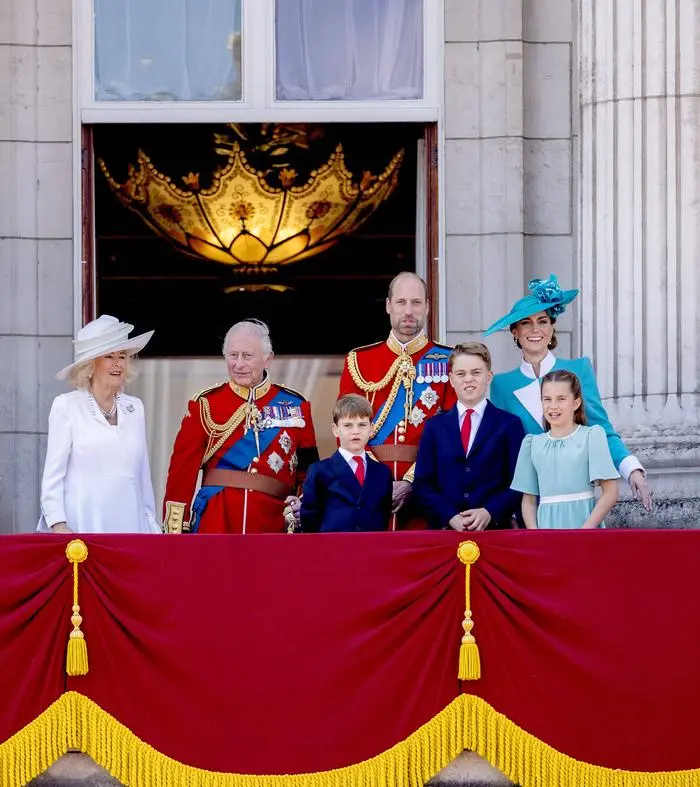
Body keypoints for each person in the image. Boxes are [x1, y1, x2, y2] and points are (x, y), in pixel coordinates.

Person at [484, 274, 652, 511]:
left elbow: (601, 429)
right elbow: (500, 451)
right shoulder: (502, 384)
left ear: (552, 329)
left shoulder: (578, 369)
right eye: (525, 323)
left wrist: (631, 468)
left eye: (543, 321)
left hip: (574, 498)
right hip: (526, 504)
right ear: (515, 333)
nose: (535, 329)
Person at [163, 319, 319, 534]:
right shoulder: (206, 404)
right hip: (217, 522)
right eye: (233, 355)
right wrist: (175, 532)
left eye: (247, 356)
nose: (238, 364)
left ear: (268, 359)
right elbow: (181, 475)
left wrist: (303, 510)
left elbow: (308, 475)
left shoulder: (296, 405)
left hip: (273, 524)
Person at [338, 271, 456, 530]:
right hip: (366, 487)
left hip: (426, 490)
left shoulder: (450, 361)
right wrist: (378, 482)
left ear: (427, 306)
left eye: (416, 302)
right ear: (389, 306)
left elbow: (452, 436)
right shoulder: (359, 360)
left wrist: (411, 481)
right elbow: (345, 430)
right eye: (401, 302)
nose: (408, 311)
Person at [38, 315, 160, 535]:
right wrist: (58, 524)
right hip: (83, 528)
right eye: (109, 356)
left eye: (122, 356)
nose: (117, 363)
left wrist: (150, 524)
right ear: (89, 365)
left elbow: (142, 476)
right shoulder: (67, 407)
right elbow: (52, 477)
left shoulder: (135, 408)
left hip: (131, 528)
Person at [413, 342, 525, 531]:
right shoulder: (434, 426)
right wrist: (449, 516)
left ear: (489, 377)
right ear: (451, 379)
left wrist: (490, 511)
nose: (468, 379)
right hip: (445, 532)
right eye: (461, 374)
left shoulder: (509, 425)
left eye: (476, 372)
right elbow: (422, 485)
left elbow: (519, 482)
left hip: (494, 532)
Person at [511, 370, 619, 529]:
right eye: (547, 399)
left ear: (576, 403)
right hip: (546, 533)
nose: (553, 406)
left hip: (584, 529)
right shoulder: (532, 444)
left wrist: (583, 532)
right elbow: (529, 500)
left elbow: (610, 492)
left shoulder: (591, 436)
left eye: (561, 399)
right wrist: (536, 535)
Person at [300, 395, 392, 533]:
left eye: (362, 425)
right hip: (333, 549)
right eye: (348, 425)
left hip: (372, 549)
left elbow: (383, 516)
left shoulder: (383, 472)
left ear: (371, 428)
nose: (356, 431)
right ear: (335, 429)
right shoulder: (319, 471)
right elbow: (309, 519)